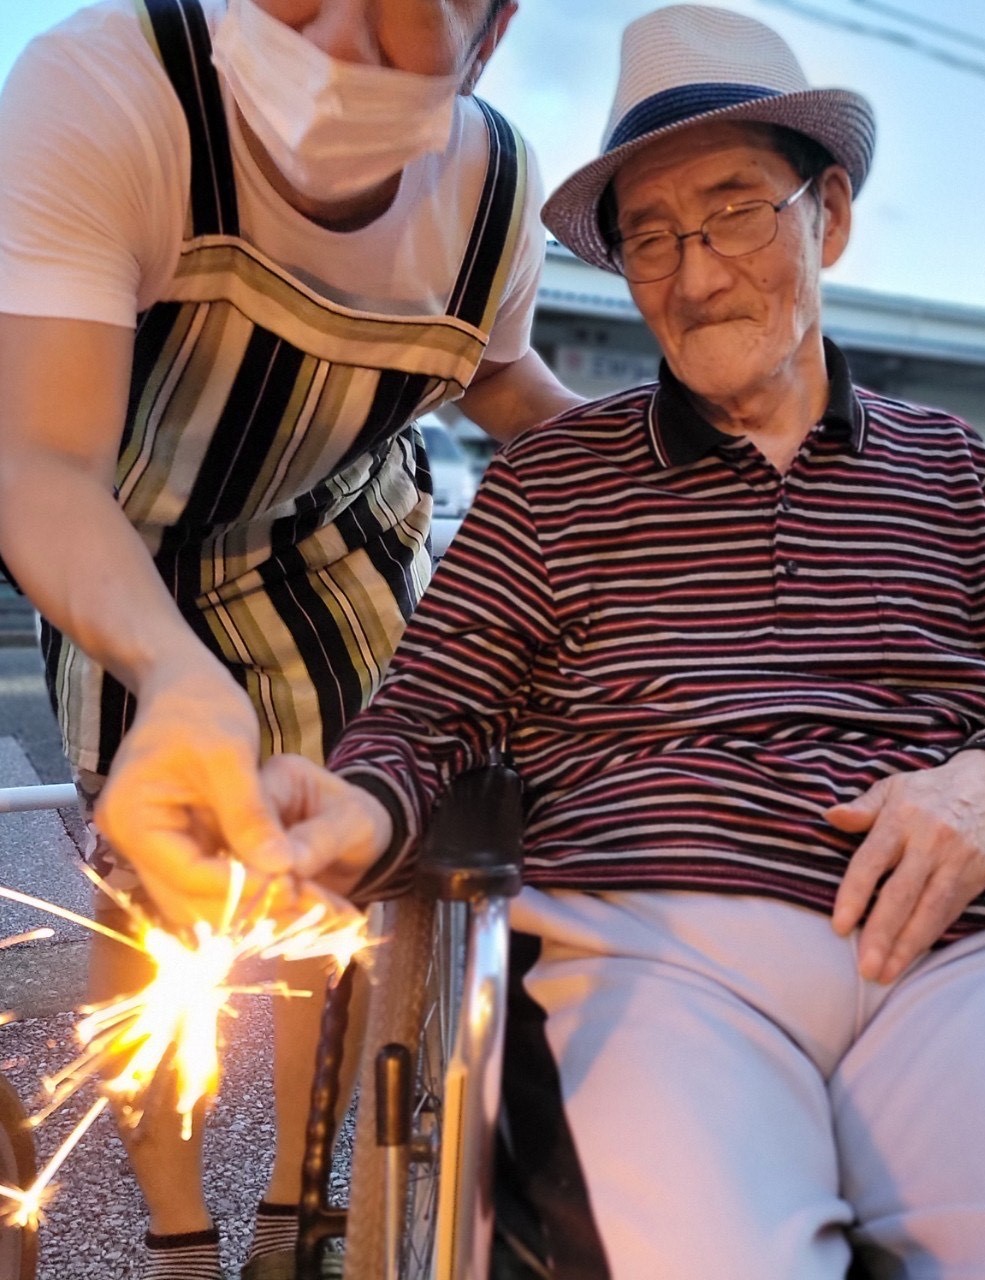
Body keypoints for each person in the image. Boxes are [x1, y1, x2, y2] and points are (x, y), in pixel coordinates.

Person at [260, 6, 985, 1277]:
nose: (694, 272)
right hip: (657, 941)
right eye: (650, 237)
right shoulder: (554, 477)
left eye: (731, 212)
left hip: (947, 947)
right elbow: (430, 715)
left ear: (826, 216)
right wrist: (352, 812)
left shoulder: (948, 465)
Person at [0, 0, 581, 1276]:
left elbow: (498, 373)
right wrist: (173, 679)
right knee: (149, 908)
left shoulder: (491, 195)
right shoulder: (105, 90)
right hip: (126, 546)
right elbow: (42, 462)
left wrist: (644, 464)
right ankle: (180, 1237)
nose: (334, 36)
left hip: (338, 543)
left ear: (489, 35)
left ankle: (292, 1213)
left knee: (327, 881)